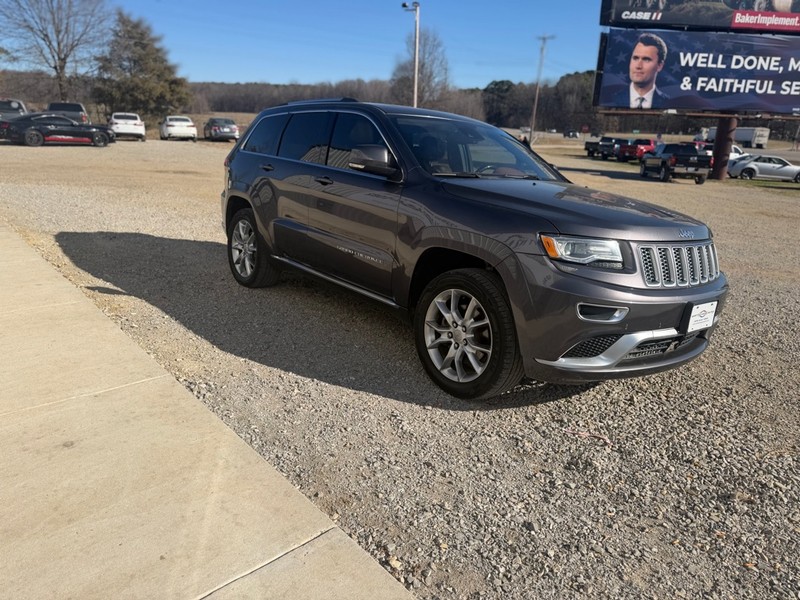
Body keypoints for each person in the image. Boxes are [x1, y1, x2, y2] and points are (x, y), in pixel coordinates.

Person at [613, 32, 669, 109]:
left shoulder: (668, 103)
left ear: (660, 66)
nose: (638, 66)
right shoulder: (612, 100)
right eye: (635, 58)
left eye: (646, 59)